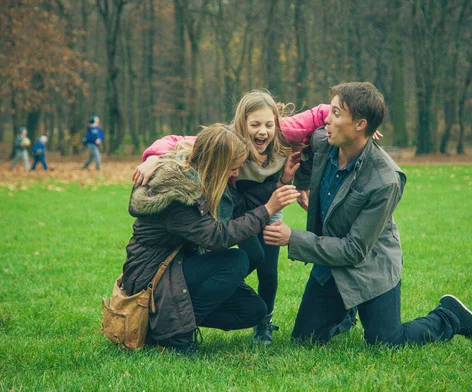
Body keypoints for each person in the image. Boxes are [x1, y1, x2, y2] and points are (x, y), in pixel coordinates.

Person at [263, 82, 472, 347]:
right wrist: (295, 180)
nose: (327, 118)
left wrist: (292, 238)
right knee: (305, 340)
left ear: (360, 125)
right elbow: (305, 165)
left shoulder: (386, 179)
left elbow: (355, 250)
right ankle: (344, 311)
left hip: (370, 265)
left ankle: (449, 316)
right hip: (329, 267)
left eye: (336, 113)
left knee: (387, 343)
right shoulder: (322, 141)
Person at [133, 92, 331, 344]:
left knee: (261, 269)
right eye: (255, 124)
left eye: (269, 124)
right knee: (238, 258)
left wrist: (283, 183)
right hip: (230, 211)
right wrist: (155, 158)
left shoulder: (283, 132)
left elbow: (323, 113)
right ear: (242, 124)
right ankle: (174, 327)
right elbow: (174, 141)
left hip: (262, 198)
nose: (263, 131)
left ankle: (259, 319)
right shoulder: (221, 144)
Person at [122, 124, 300, 355]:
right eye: (233, 168)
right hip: (149, 276)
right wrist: (267, 210)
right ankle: (171, 333)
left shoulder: (206, 181)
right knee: (235, 260)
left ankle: (165, 324)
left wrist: (278, 185)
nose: (235, 174)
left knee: (253, 310)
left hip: (174, 269)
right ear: (216, 164)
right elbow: (217, 237)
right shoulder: (178, 194)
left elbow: (237, 207)